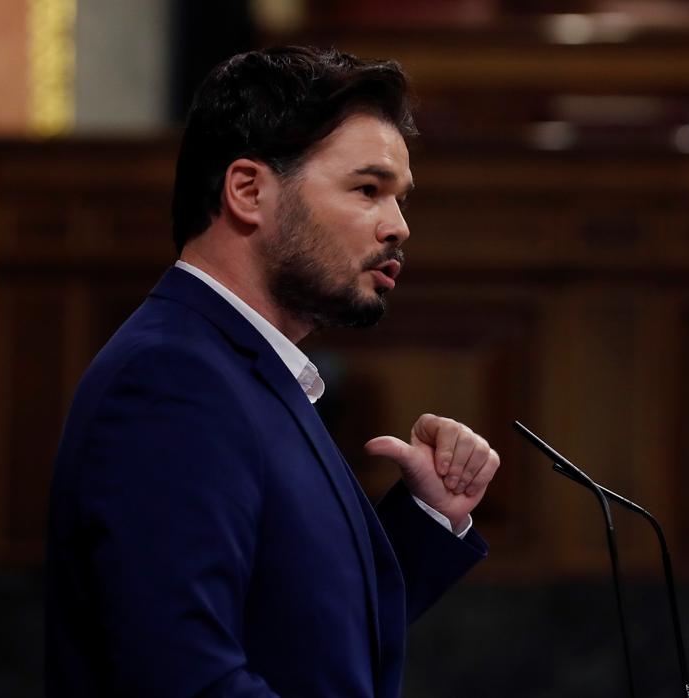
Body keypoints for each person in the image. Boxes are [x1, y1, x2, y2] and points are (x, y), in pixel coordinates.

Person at [44, 46, 501, 697]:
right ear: (249, 191)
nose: (398, 226)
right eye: (368, 189)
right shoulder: (172, 382)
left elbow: (306, 635)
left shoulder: (241, 371)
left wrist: (430, 515)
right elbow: (184, 678)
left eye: (400, 199)